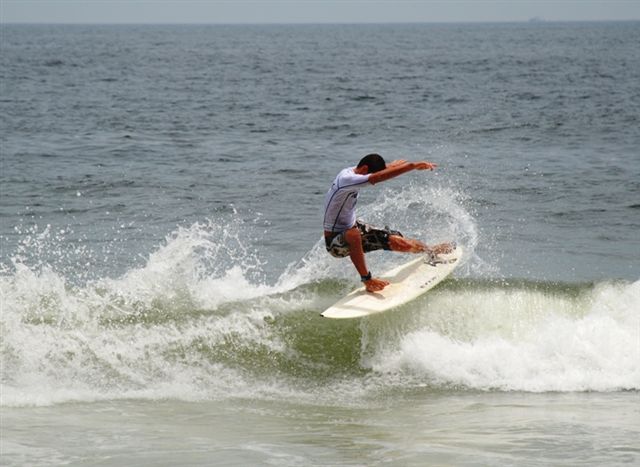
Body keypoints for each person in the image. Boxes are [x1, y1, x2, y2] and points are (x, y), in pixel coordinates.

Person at [323, 153, 452, 293]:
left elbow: (378, 173)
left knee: (399, 242)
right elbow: (377, 177)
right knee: (353, 234)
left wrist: (392, 166)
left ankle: (430, 251)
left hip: (354, 228)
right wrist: (411, 166)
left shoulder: (354, 171)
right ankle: (367, 280)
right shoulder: (347, 178)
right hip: (335, 242)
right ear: (365, 168)